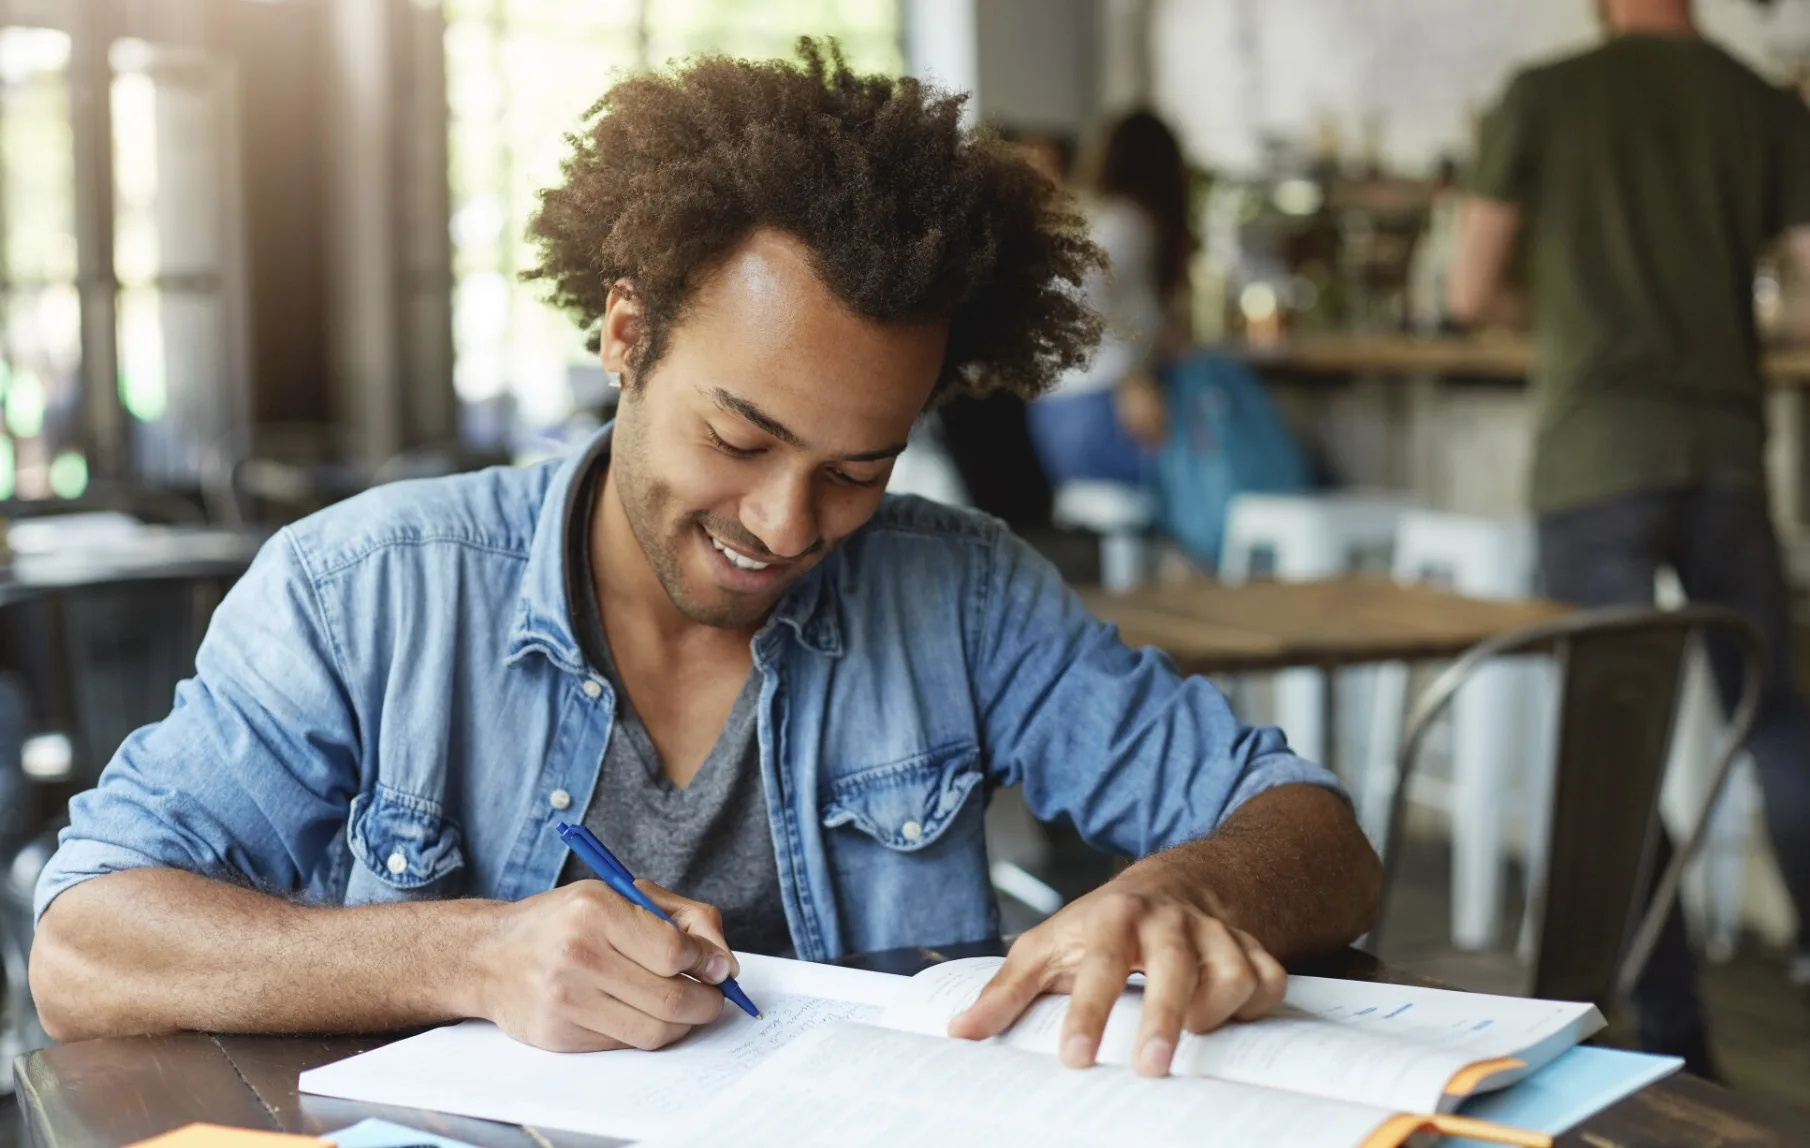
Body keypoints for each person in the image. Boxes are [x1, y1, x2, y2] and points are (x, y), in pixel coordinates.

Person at [28, 42, 1380, 1077]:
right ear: (625, 338)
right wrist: (470, 951)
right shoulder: (365, 593)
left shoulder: (964, 596)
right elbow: (84, 944)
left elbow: (1314, 834)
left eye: (858, 469)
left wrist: (1171, 894)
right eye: (740, 435)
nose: (786, 525)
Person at [1448, 0, 1810, 1077]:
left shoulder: (1545, 96)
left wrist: (1558, 312)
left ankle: (1676, 1039)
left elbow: (1470, 287)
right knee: (1779, 720)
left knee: (1615, 750)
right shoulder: (1759, 102)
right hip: (1726, 452)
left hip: (1594, 457)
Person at [1025, 110, 1196, 488]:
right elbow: (1073, 290)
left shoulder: (1099, 217)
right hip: (1099, 416)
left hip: (1058, 418)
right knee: (1222, 458)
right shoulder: (1128, 222)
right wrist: (1129, 376)